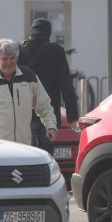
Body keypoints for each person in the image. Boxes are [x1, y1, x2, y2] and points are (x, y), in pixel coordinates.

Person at [0, 38, 57, 146]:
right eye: (4, 59)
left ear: (17, 58)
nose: (9, 62)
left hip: (23, 146)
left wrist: (50, 126)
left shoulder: (29, 77)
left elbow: (44, 105)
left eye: (12, 58)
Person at [18, 18, 79, 155]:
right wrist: (72, 116)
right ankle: (46, 176)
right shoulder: (56, 51)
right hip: (49, 112)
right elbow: (66, 84)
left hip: (26, 112)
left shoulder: (21, 49)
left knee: (28, 154)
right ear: (48, 32)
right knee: (47, 156)